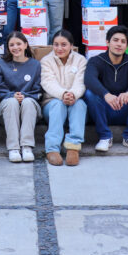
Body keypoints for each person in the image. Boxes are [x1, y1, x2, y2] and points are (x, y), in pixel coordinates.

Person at [84, 25, 128, 152]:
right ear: (107, 42)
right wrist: (106, 94)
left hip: (126, 109)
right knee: (90, 93)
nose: (119, 44)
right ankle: (104, 137)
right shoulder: (96, 60)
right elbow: (89, 79)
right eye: (115, 40)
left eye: (123, 41)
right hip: (104, 110)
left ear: (127, 46)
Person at [40, 29, 87, 166]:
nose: (59, 48)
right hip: (52, 103)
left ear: (71, 45)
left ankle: (73, 147)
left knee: (80, 105)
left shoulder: (80, 60)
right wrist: (63, 94)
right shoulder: (46, 61)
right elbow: (47, 83)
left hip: (74, 100)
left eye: (64, 44)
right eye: (56, 44)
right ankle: (52, 149)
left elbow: (81, 82)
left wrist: (72, 95)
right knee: (58, 104)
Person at [0, 32, 42, 163]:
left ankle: (27, 147)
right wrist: (11, 95)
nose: (15, 47)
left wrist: (24, 96)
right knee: (11, 102)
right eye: (12, 45)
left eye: (19, 44)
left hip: (30, 107)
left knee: (28, 102)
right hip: (7, 108)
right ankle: (13, 148)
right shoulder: (0, 64)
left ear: (26, 45)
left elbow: (38, 90)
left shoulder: (36, 65)